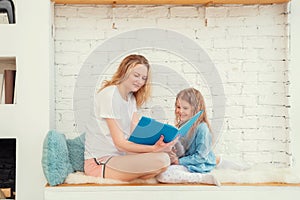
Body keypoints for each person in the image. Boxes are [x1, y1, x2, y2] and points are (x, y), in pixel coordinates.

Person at [84, 54, 177, 182]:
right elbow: (120, 144)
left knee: (167, 156)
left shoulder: (131, 99)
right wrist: (153, 149)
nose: (140, 81)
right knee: (162, 160)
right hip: (100, 162)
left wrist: (161, 145)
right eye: (136, 75)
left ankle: (138, 173)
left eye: (144, 78)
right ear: (124, 71)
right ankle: (140, 173)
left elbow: (134, 135)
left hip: (120, 158)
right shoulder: (110, 95)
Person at [157, 87, 220, 185]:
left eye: (185, 108)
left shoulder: (202, 128)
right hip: (186, 162)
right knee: (160, 169)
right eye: (178, 107)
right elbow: (183, 149)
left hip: (198, 165)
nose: (180, 111)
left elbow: (201, 157)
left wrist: (179, 161)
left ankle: (202, 178)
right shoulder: (182, 126)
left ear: (196, 109)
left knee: (163, 175)